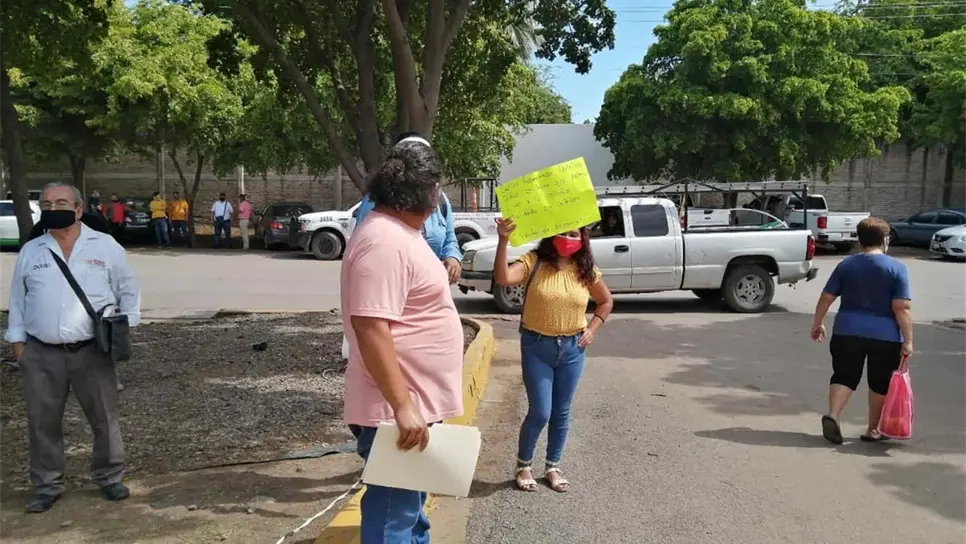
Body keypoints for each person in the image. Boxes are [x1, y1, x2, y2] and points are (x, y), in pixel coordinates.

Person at [341, 138, 464, 543]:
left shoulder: (398, 232)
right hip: (395, 412)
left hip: (411, 405)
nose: (438, 201)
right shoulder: (382, 241)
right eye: (435, 190)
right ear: (417, 192)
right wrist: (403, 406)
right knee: (393, 513)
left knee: (409, 510)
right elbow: (371, 327)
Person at [5, 181, 140, 513]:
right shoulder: (32, 250)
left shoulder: (105, 246)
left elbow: (128, 291)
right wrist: (18, 344)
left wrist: (121, 327)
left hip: (92, 351)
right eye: (47, 205)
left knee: (104, 419)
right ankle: (47, 485)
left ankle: (110, 478)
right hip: (41, 353)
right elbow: (18, 300)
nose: (53, 209)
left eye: (61, 203)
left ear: (79, 209)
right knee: (42, 422)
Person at [493, 219, 613, 493]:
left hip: (573, 349)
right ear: (551, 234)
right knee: (540, 411)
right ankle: (524, 465)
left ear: (582, 239)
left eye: (575, 234)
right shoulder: (533, 261)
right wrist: (502, 240)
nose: (568, 238)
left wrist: (593, 329)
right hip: (537, 347)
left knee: (562, 412)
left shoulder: (585, 271)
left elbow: (606, 301)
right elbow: (503, 278)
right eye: (563, 232)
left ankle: (552, 466)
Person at [811, 217, 913, 444]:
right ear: (885, 240)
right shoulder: (897, 267)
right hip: (885, 336)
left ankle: (833, 415)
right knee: (879, 382)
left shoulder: (846, 265)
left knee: (844, 375)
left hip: (847, 330)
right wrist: (908, 340)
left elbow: (826, 297)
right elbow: (901, 307)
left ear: (859, 240)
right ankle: (872, 429)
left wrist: (818, 323)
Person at [354, 132, 462, 284]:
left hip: (429, 284)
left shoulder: (440, 200)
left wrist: (453, 257)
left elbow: (450, 238)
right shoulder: (376, 202)